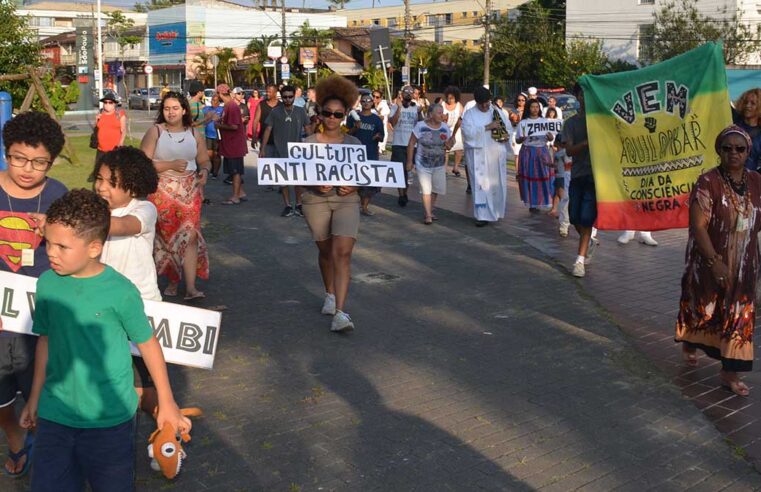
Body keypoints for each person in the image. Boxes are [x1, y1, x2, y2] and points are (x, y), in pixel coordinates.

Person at [19, 189, 191, 491]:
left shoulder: (121, 291)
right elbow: (45, 340)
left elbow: (148, 343)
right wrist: (34, 397)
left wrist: (166, 401)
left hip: (109, 421)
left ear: (94, 247)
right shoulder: (46, 283)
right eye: (49, 242)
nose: (51, 253)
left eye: (62, 246)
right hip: (55, 415)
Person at [0, 112, 68, 478]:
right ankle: (15, 439)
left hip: (41, 320)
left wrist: (56, 228)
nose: (27, 169)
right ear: (6, 152)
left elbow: (77, 249)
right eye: (18, 158)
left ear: (51, 161)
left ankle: (45, 450)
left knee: (43, 394)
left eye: (39, 162)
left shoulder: (58, 194)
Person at [676, 125, 761, 397]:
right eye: (728, 148)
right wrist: (714, 262)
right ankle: (690, 341)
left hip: (745, 264)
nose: (733, 153)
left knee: (740, 314)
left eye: (740, 148)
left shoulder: (757, 181)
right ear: (718, 150)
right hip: (709, 260)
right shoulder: (707, 181)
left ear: (748, 151)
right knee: (705, 307)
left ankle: (730, 372)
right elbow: (698, 227)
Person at [91, 146, 162, 416]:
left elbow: (123, 226)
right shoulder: (95, 207)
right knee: (116, 384)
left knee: (148, 391)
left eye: (112, 183)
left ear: (132, 188)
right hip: (103, 308)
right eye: (99, 178)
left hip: (141, 308)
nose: (101, 187)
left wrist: (77, 219)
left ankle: (167, 440)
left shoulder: (145, 209)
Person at [301, 75, 363, 333]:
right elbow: (296, 177)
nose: (332, 118)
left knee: (342, 252)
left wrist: (355, 185)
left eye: (338, 114)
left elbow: (365, 174)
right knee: (326, 252)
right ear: (319, 113)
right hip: (316, 201)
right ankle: (329, 293)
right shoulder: (306, 145)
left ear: (346, 114)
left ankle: (340, 311)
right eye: (328, 113)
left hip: (347, 200)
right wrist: (315, 185)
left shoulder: (355, 144)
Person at [140, 90, 211, 299]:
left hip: (190, 192)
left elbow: (204, 159)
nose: (171, 112)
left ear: (184, 111)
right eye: (167, 108)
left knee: (189, 235)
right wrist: (168, 165)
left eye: (175, 108)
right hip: (162, 192)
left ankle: (190, 287)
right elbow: (142, 162)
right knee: (166, 237)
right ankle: (173, 278)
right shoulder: (156, 132)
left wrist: (205, 172)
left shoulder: (194, 134)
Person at [459, 87, 511, 227]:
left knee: (495, 184)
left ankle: (496, 212)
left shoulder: (496, 111)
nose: (484, 106)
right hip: (478, 155)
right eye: (481, 103)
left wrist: (505, 138)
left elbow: (508, 128)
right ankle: (482, 215)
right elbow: (467, 133)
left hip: (495, 153)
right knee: (481, 185)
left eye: (486, 103)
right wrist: (487, 127)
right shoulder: (470, 114)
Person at [562, 83, 597, 278]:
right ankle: (588, 243)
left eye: (588, 93)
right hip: (577, 174)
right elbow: (569, 150)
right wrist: (585, 143)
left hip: (596, 177)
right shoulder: (571, 123)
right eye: (582, 94)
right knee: (574, 217)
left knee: (586, 218)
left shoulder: (601, 121)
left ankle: (579, 261)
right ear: (577, 96)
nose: (585, 97)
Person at [261, 85, 311, 217]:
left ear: (294, 96)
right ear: (281, 97)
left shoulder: (300, 111)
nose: (288, 99)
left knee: (298, 180)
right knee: (283, 181)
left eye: (290, 97)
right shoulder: (275, 112)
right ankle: (288, 205)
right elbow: (268, 129)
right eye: (285, 97)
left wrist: (312, 146)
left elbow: (307, 128)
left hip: (298, 151)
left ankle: (299, 204)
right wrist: (262, 148)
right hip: (280, 150)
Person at [407, 104, 452, 225]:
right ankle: (428, 214)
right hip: (423, 163)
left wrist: (450, 143)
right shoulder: (420, 126)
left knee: (436, 188)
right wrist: (409, 161)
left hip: (439, 163)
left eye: (442, 113)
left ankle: (430, 209)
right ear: (431, 114)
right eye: (439, 113)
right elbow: (411, 143)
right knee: (426, 189)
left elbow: (450, 142)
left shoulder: (445, 127)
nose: (442, 115)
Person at [346, 93, 384, 216]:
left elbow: (382, 136)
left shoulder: (376, 119)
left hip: (371, 153)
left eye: (369, 100)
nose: (366, 103)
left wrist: (378, 136)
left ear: (373, 102)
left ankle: (365, 207)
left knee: (369, 182)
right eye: (363, 101)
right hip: (355, 154)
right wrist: (355, 128)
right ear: (360, 103)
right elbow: (347, 135)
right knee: (355, 181)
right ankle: (353, 206)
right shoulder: (353, 116)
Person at [516, 99, 555, 211]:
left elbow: (551, 138)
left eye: (537, 107)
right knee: (530, 176)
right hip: (528, 152)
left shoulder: (545, 121)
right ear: (528, 108)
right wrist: (522, 138)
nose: (535, 109)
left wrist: (549, 137)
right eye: (532, 107)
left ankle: (545, 199)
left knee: (543, 175)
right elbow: (518, 140)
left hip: (541, 151)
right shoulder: (523, 123)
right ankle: (532, 202)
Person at [215, 84, 249, 205]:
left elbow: (234, 126)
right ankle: (240, 192)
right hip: (229, 144)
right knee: (232, 170)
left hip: (234, 145)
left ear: (220, 94)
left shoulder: (232, 107)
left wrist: (219, 125)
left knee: (235, 171)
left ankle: (235, 196)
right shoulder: (228, 106)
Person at [389, 85, 422, 207]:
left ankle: (405, 192)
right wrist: (398, 107)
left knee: (408, 171)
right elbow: (393, 122)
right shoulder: (395, 106)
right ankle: (401, 194)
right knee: (399, 171)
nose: (408, 94)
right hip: (398, 143)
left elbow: (420, 125)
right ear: (401, 94)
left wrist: (420, 112)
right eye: (406, 92)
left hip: (412, 144)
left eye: (410, 93)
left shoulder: (416, 108)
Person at [731, 88, 761, 172]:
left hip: (749, 179)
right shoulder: (733, 119)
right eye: (746, 102)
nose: (748, 105)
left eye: (753, 103)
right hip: (725, 176)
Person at [95, 92, 126, 161]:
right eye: (105, 102)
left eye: (110, 102)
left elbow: (123, 131)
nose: (107, 104)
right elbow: (96, 129)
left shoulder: (120, 114)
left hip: (115, 149)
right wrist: (96, 120)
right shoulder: (99, 114)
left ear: (114, 104)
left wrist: (121, 143)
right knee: (99, 170)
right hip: (101, 150)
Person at [252, 84, 281, 155]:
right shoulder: (261, 105)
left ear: (275, 92)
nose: (267, 93)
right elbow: (255, 121)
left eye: (270, 92)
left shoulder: (281, 106)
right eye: (267, 91)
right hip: (265, 141)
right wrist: (254, 137)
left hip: (279, 141)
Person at [442, 86, 465, 177]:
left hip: (457, 130)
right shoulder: (442, 104)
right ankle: (444, 168)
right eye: (448, 97)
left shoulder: (459, 106)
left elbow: (463, 118)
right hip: (444, 129)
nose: (449, 100)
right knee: (445, 150)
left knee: (459, 149)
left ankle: (456, 167)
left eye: (452, 98)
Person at [203, 93, 224, 178]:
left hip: (217, 135)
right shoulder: (207, 109)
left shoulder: (222, 109)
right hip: (208, 135)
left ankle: (215, 172)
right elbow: (203, 120)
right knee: (209, 154)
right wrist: (209, 117)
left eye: (215, 100)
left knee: (216, 154)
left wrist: (219, 118)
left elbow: (223, 119)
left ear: (219, 102)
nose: (213, 102)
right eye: (212, 100)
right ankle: (211, 169)